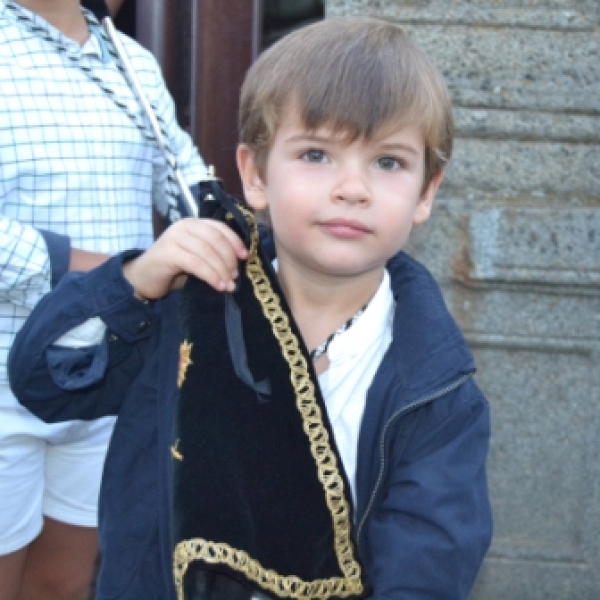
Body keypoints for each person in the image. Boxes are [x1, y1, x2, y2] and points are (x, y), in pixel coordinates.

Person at [9, 16, 493, 600]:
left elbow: (427, 567)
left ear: (426, 192)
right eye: (316, 154)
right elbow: (45, 381)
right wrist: (132, 282)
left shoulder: (436, 388)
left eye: (387, 162)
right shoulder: (196, 307)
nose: (352, 187)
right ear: (253, 174)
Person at [0, 0, 206, 598]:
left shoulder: (131, 61)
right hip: (3, 379)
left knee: (65, 585)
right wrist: (109, 273)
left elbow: (186, 182)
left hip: (109, 380)